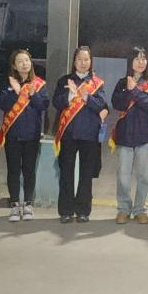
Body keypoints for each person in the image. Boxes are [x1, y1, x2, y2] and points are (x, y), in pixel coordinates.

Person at [0, 48, 49, 222]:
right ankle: (15, 204)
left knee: (29, 170)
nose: (24, 64)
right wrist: (15, 92)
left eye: (27, 60)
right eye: (20, 61)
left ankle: (28, 204)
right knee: (13, 170)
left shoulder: (39, 84)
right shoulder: (8, 83)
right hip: (13, 135)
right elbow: (2, 104)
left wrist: (33, 94)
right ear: (14, 66)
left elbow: (43, 105)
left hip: (32, 135)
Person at [52, 45, 108, 223]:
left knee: (86, 175)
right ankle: (66, 211)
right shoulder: (64, 81)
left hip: (90, 135)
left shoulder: (97, 83)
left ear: (91, 62)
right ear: (74, 61)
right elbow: (56, 102)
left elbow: (102, 105)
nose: (83, 63)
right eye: (80, 59)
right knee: (66, 173)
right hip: (68, 134)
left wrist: (86, 97)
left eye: (86, 59)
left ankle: (83, 211)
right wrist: (69, 96)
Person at [110, 46, 148, 224]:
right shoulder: (122, 83)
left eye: (143, 58)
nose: (141, 62)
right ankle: (123, 209)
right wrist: (129, 89)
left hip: (145, 136)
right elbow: (117, 104)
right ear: (130, 62)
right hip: (124, 136)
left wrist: (135, 91)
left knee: (144, 176)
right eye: (137, 58)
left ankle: (139, 209)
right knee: (123, 176)